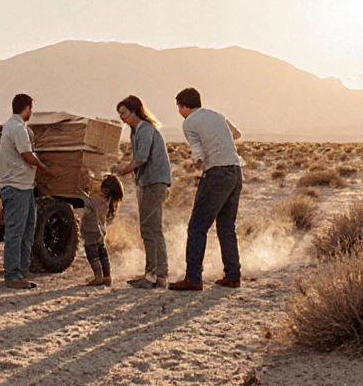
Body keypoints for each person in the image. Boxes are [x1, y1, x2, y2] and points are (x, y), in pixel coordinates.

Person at [168, 87, 244, 291]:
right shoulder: (217, 115)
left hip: (216, 172)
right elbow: (236, 134)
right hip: (236, 170)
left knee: (197, 227)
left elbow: (198, 152)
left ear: (184, 106)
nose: (178, 111)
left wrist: (196, 164)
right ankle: (233, 275)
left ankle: (193, 278)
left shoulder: (189, 122)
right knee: (226, 226)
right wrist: (219, 140)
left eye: (178, 107)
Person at [115, 94, 172, 290]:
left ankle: (154, 274)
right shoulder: (137, 131)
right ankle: (157, 274)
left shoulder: (145, 130)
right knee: (152, 228)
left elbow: (141, 158)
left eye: (124, 113)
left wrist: (120, 170)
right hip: (149, 181)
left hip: (153, 182)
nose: (122, 117)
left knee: (150, 229)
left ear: (134, 111)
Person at [0, 93, 54, 289]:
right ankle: (13, 275)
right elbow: (26, 154)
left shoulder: (10, 127)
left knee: (27, 230)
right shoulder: (18, 128)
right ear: (27, 108)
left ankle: (21, 271)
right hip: (16, 187)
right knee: (16, 231)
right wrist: (44, 168)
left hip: (24, 187)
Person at [79, 174, 124, 286]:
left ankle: (98, 276)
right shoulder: (107, 201)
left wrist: (78, 189)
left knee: (91, 251)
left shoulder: (97, 200)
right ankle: (107, 276)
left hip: (91, 229)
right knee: (102, 251)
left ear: (106, 190)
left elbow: (86, 200)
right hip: (100, 229)